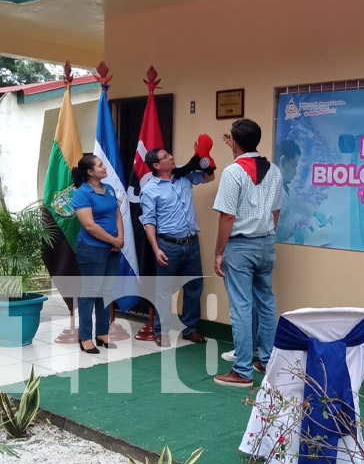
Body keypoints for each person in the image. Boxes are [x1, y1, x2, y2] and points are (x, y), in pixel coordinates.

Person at [213, 119, 283, 387]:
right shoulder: (274, 170)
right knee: (265, 303)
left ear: (235, 142)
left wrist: (219, 252)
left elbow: (228, 216)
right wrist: (266, 235)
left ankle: (242, 370)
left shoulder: (233, 172)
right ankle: (267, 361)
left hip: (241, 246)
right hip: (266, 243)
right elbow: (276, 211)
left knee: (241, 307)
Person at [140, 144, 215, 347]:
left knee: (194, 287)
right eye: (166, 156)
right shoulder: (149, 189)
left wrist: (205, 158)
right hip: (168, 246)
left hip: (191, 243)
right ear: (156, 164)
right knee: (164, 291)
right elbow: (149, 222)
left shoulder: (183, 175)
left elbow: (209, 178)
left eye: (170, 154)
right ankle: (161, 331)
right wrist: (156, 248)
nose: (172, 157)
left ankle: (190, 328)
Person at [71, 154, 123, 354]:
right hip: (91, 249)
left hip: (112, 248)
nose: (104, 167)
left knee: (106, 291)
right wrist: (113, 240)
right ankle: (85, 337)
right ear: (90, 172)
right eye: (100, 165)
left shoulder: (108, 189)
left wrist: (120, 239)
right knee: (90, 292)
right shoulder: (82, 194)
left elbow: (117, 214)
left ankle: (102, 333)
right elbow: (89, 225)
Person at [274, 139, 301, 242]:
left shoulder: (284, 188)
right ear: (283, 161)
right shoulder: (275, 191)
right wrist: (294, 239)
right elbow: (272, 234)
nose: (295, 172)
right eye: (294, 166)